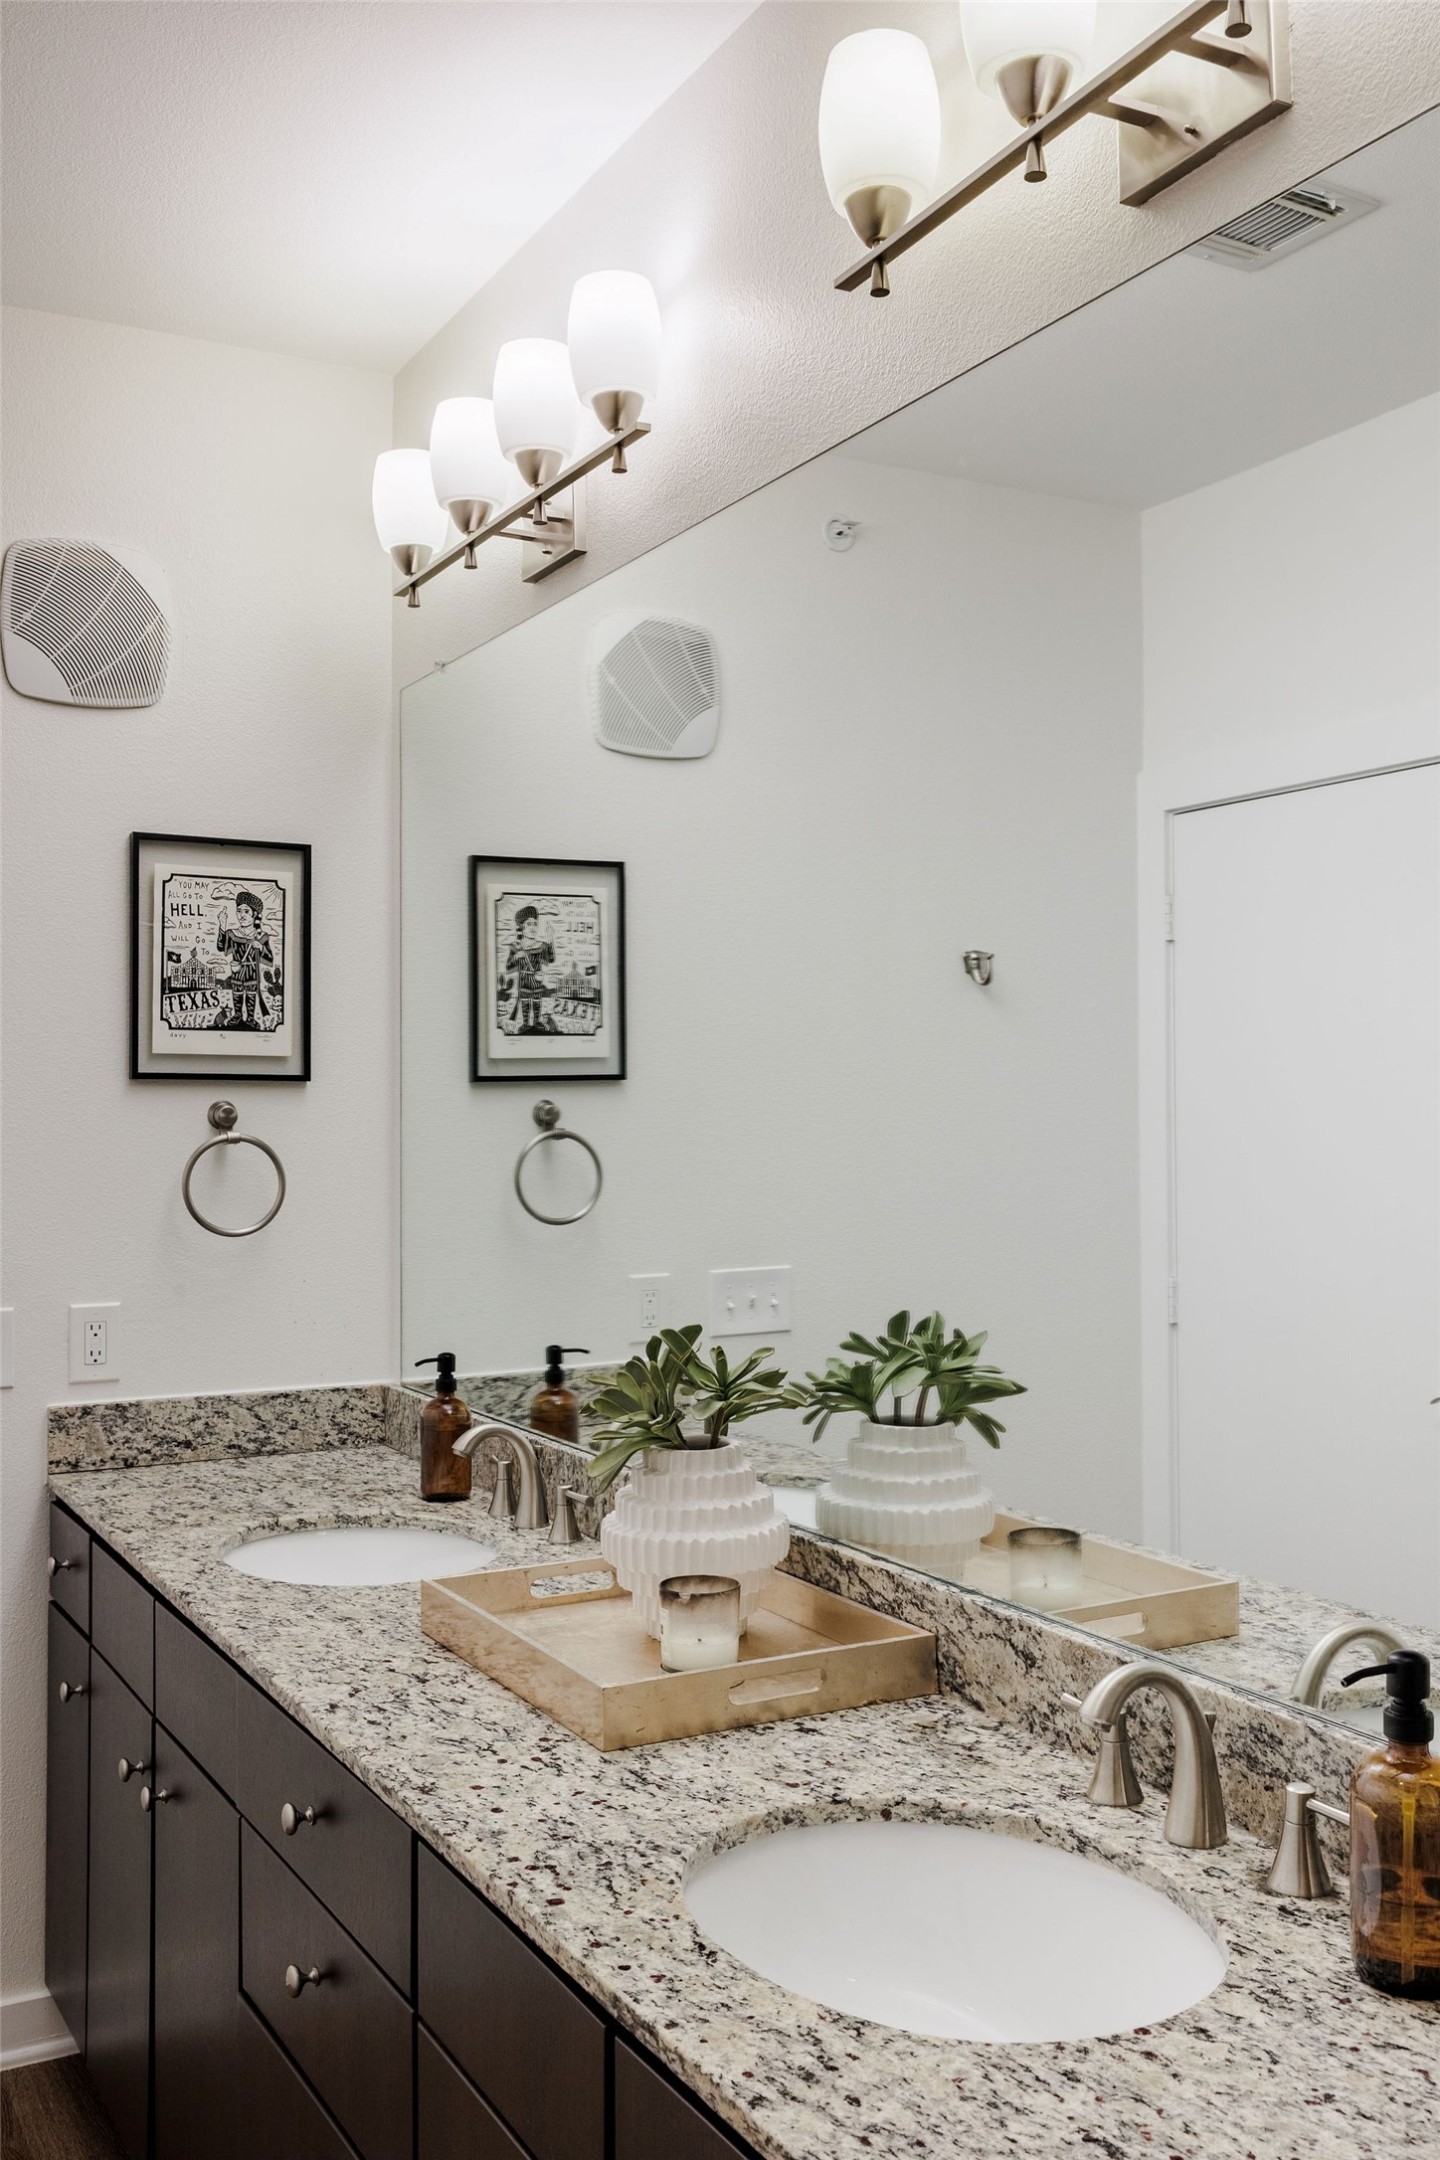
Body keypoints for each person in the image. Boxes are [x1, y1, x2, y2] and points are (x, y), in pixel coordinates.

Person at [215, 888, 274, 1030]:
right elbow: (221, 947)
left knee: (251, 994)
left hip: (252, 970)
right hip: (236, 968)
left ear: (254, 914)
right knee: (237, 992)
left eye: (246, 911)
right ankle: (237, 1015)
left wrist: (260, 947)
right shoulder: (232, 933)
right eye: (239, 911)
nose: (242, 915)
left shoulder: (261, 936)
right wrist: (222, 926)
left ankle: (251, 1018)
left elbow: (269, 958)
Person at [505, 903, 554, 1034]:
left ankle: (537, 1022)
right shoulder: (516, 946)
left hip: (537, 980)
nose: (533, 928)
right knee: (525, 1003)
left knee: (537, 1002)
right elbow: (508, 967)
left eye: (535, 924)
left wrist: (550, 940)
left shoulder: (541, 945)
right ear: (522, 927)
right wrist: (516, 957)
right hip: (524, 981)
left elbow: (551, 959)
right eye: (529, 924)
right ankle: (526, 1023)